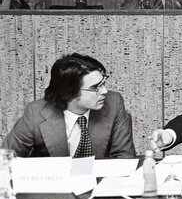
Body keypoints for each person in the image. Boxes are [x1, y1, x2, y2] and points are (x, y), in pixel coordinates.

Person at [3, 54, 136, 158]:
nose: (104, 91)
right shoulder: (36, 113)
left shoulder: (114, 103)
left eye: (103, 82)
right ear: (69, 94)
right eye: (95, 87)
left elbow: (124, 158)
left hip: (101, 186)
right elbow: (5, 159)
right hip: (54, 188)